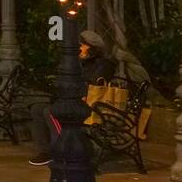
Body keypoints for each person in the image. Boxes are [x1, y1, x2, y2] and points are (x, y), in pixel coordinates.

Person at [28, 29, 117, 166]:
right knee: (37, 109)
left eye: (81, 44)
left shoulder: (103, 64)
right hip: (72, 100)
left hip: (91, 105)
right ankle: (46, 151)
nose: (78, 47)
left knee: (50, 112)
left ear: (90, 47)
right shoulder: (77, 62)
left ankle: (63, 148)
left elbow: (92, 86)